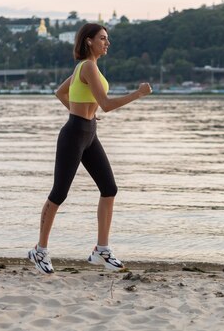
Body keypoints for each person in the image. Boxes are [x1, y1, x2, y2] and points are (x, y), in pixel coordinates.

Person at [28, 23, 152, 274]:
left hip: (88, 132)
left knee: (109, 189)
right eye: (103, 38)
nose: (108, 43)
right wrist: (137, 94)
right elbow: (106, 104)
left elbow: (60, 93)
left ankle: (101, 250)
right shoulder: (87, 66)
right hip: (74, 134)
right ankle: (39, 251)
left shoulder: (84, 68)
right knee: (59, 193)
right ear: (89, 41)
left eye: (108, 39)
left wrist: (86, 113)